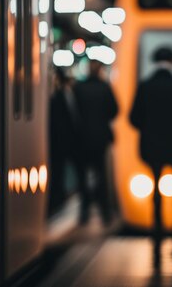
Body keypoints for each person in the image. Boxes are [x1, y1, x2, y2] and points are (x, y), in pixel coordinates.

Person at [130, 47, 172, 263]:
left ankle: (156, 243)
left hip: (151, 149)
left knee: (156, 195)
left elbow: (134, 118)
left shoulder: (145, 85)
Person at [73, 60, 118, 225]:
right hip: (101, 138)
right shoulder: (105, 88)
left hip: (81, 138)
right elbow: (115, 110)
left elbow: (73, 113)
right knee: (101, 175)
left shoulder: (78, 88)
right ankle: (105, 212)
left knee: (82, 176)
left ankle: (84, 212)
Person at [48, 68, 80, 215]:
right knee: (59, 172)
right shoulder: (62, 96)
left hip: (60, 143)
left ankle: (59, 198)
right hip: (61, 142)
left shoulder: (57, 97)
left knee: (59, 172)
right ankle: (59, 198)